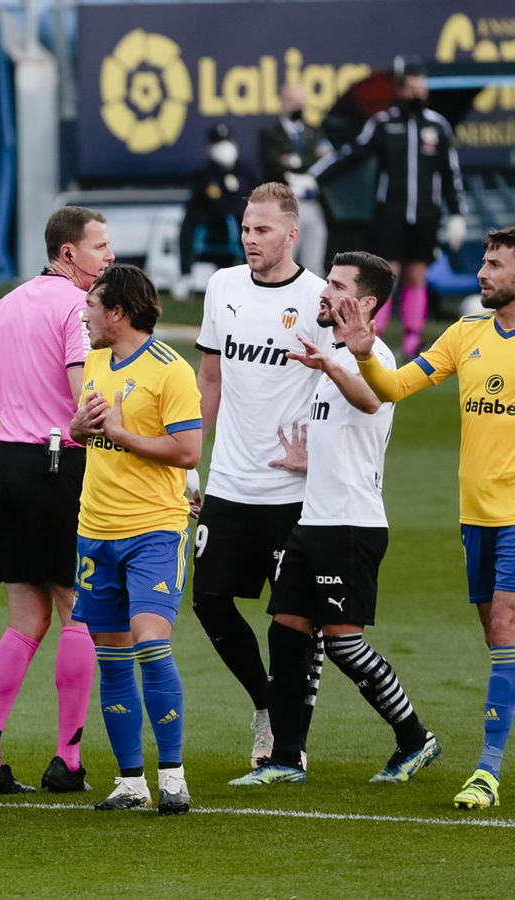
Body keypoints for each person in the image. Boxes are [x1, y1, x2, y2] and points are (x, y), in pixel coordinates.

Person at [229, 251, 441, 787]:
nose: (324, 293)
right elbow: (354, 439)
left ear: (365, 303)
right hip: (315, 520)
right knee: (286, 632)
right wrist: (310, 458)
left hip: (350, 525)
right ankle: (285, 760)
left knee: (344, 643)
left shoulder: (375, 358)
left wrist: (331, 366)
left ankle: (416, 740)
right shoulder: (335, 358)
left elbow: (371, 403)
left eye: (339, 286)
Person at [339, 225, 515, 810]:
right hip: (476, 516)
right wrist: (364, 351)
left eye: (494, 264)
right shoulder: (466, 334)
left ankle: (486, 771)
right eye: (483, 262)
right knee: (497, 633)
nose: (481, 273)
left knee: (506, 630)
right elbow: (391, 388)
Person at [0, 207, 114, 796]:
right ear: (68, 254)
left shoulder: (5, 304)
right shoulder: (75, 308)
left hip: (8, 465)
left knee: (25, 619)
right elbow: (80, 399)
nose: (108, 257)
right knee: (78, 611)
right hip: (59, 463)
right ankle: (67, 762)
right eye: (99, 247)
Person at [193, 182, 329, 768]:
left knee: (291, 620)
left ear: (292, 234)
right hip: (228, 482)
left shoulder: (322, 299)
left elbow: (346, 391)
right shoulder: (222, 286)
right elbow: (210, 381)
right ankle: (268, 707)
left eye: (263, 229)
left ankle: (290, 746)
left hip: (292, 490)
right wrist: (191, 463)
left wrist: (319, 456)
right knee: (209, 602)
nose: (251, 238)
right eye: (247, 229)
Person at [68, 264, 203, 814]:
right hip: (95, 529)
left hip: (154, 528)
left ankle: (172, 774)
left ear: (118, 312)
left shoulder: (172, 372)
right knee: (112, 656)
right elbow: (82, 428)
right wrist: (80, 429)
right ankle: (130, 781)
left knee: (150, 641)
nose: (84, 314)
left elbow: (189, 451)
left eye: (93, 306)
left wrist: (122, 433)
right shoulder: (97, 362)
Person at [309, 60, 468, 359]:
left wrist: (457, 212)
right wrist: (315, 175)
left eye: (422, 88)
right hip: (390, 214)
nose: (417, 94)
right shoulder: (384, 124)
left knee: (416, 275)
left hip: (426, 214)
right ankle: (371, 336)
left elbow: (451, 174)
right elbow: (352, 154)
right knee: (387, 274)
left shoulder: (437, 126)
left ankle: (412, 341)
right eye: (412, 88)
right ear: (401, 89)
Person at [257, 82, 333, 275]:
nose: (298, 106)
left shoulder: (314, 131)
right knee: (284, 262)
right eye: (293, 101)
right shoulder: (270, 134)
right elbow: (274, 166)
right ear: (282, 103)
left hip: (312, 203)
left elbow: (325, 160)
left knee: (313, 265)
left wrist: (293, 161)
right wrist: (309, 160)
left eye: (301, 101)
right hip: (284, 205)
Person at [179, 124, 257, 289]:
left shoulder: (245, 171)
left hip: (244, 224)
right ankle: (185, 275)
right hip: (215, 227)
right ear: (210, 148)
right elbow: (213, 202)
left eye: (227, 142)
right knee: (189, 221)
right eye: (219, 143)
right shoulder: (204, 173)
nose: (224, 148)